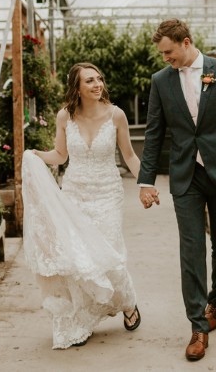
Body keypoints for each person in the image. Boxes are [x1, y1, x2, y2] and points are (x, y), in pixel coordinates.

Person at [137, 19, 216, 361]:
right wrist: (146, 181)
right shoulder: (161, 81)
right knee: (191, 250)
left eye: (169, 52)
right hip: (186, 175)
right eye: (161, 54)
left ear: (186, 43)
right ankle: (198, 327)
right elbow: (155, 132)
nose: (165, 59)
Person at [22, 62, 142, 349]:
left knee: (108, 253)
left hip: (107, 193)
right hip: (75, 194)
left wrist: (146, 184)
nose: (97, 84)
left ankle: (128, 302)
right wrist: (36, 154)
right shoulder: (65, 116)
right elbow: (61, 156)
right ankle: (83, 318)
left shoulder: (117, 115)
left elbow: (130, 156)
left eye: (99, 79)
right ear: (77, 88)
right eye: (89, 81)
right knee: (79, 257)